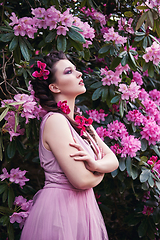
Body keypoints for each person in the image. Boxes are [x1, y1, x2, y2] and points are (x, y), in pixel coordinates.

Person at [20, 51, 119, 240]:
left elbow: (112, 159)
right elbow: (81, 181)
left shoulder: (82, 124)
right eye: (68, 71)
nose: (79, 74)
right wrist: (100, 172)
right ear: (54, 87)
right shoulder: (55, 121)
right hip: (60, 211)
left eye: (75, 70)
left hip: (83, 208)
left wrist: (95, 166)